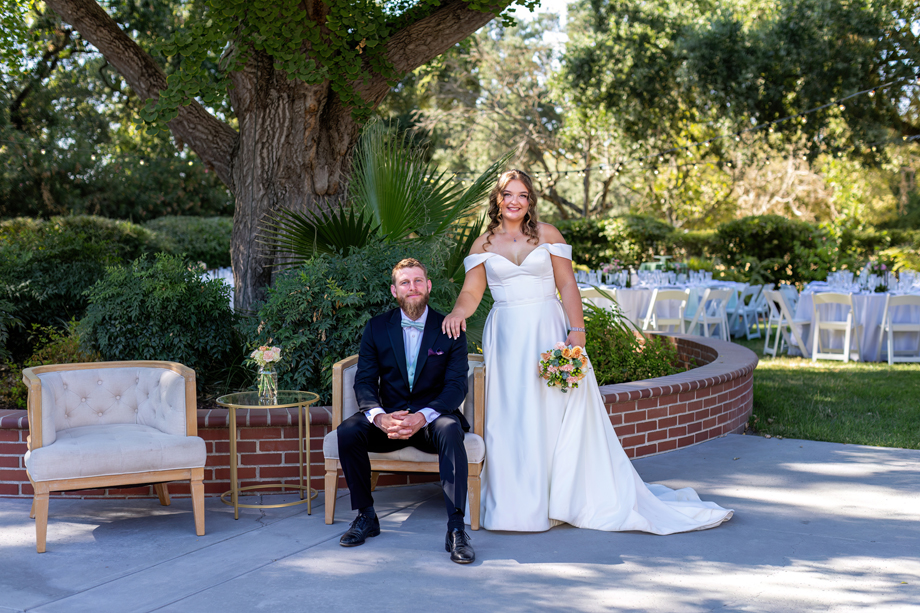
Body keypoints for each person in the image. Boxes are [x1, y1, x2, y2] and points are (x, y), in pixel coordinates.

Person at [442, 169, 733, 533]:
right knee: (513, 414)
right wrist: (458, 312)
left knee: (554, 409)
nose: (515, 201)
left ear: (530, 201)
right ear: (497, 200)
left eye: (522, 195)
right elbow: (471, 292)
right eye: (508, 194)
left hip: (547, 330)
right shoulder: (483, 245)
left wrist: (577, 331)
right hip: (507, 336)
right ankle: (517, 504)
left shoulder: (548, 235)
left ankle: (562, 498)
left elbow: (567, 284)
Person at [336, 258, 476, 563]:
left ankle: (456, 529)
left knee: (451, 429)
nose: (412, 287)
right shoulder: (376, 327)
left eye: (417, 281)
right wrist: (379, 417)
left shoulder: (449, 328)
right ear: (394, 290)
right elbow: (364, 380)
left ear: (428, 286)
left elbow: (456, 386)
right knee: (347, 431)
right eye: (404, 282)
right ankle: (366, 516)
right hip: (391, 422)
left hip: (431, 421)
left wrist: (422, 416)